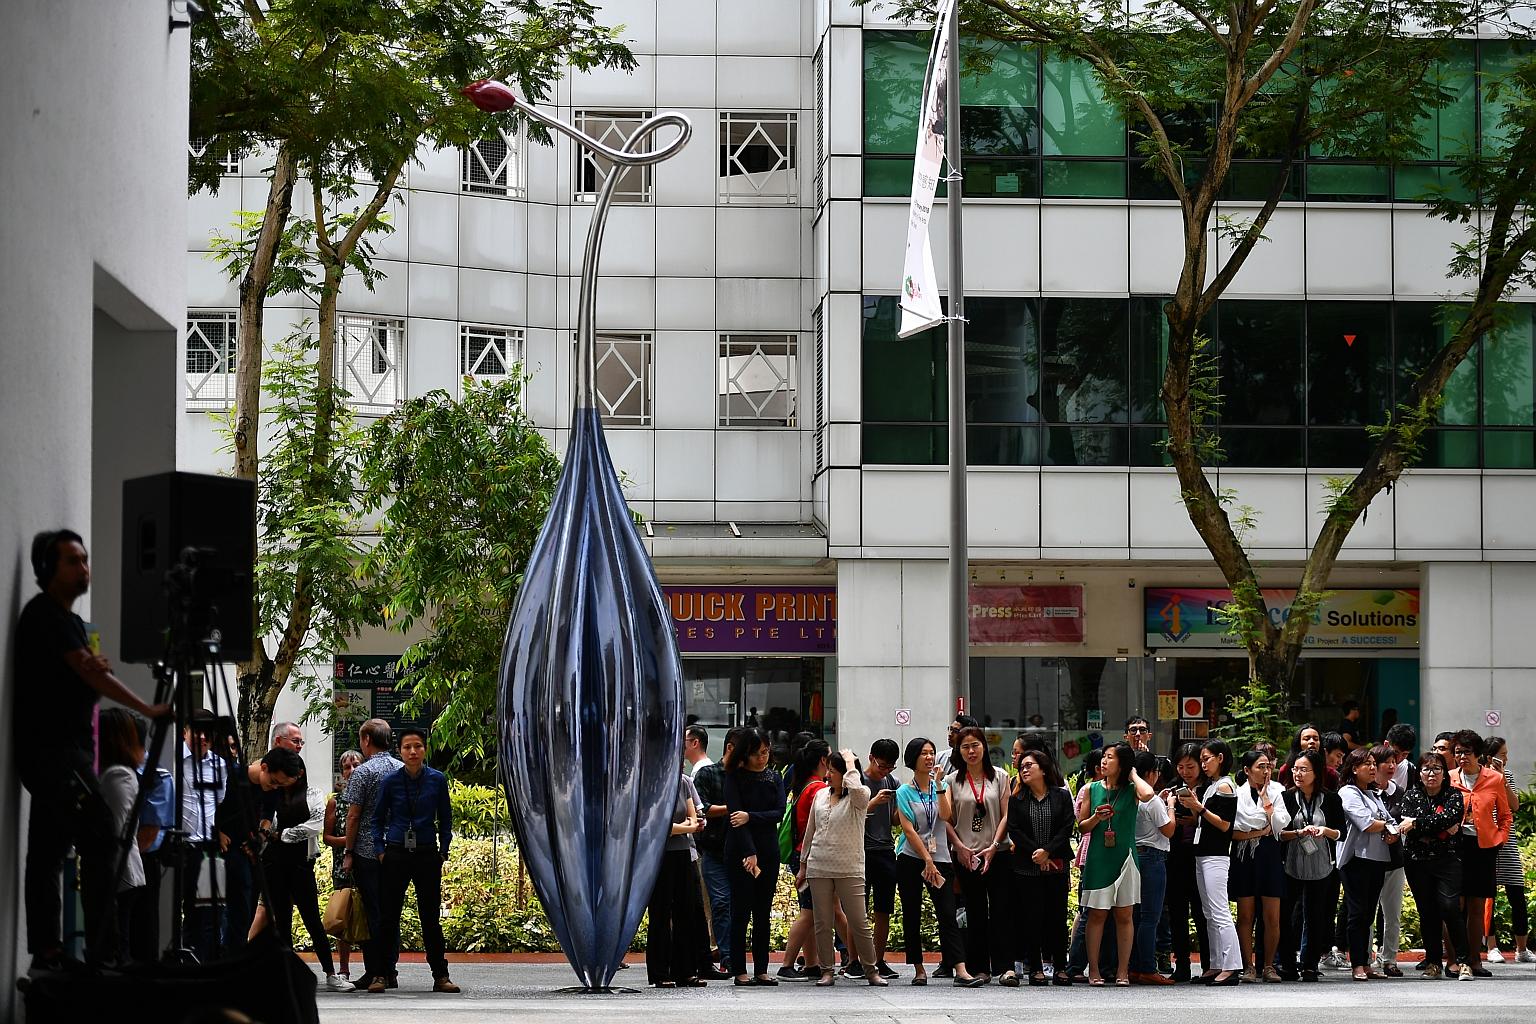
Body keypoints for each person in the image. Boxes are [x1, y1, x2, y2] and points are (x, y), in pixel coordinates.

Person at [14, 529, 171, 970]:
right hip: (58, 755)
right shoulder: (48, 615)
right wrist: (146, 707)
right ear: (47, 570)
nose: (83, 568)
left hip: (57, 756)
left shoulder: (62, 621)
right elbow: (92, 674)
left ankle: (48, 952)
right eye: (72, 561)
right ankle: (104, 957)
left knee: (46, 852)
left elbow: (85, 670)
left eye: (84, 560)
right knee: (103, 836)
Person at [250, 725, 351, 991]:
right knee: (281, 920)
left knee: (311, 919)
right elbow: (264, 824)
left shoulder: (313, 794)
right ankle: (286, 973)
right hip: (273, 863)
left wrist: (281, 834)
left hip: (300, 863)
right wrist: (271, 834)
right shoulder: (270, 794)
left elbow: (315, 824)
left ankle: (330, 973)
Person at [370, 726, 458, 994]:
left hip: (427, 853)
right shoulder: (390, 781)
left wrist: (443, 849)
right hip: (395, 852)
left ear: (425, 749)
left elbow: (445, 817)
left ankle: (440, 975)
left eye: (418, 746)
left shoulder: (437, 780)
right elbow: (376, 819)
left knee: (430, 917)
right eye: (407, 747)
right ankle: (381, 975)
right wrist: (380, 849)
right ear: (400, 750)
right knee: (388, 917)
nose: (412, 751)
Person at [794, 749, 887, 986]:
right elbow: (810, 833)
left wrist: (849, 762)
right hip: (819, 866)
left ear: (846, 774)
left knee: (859, 920)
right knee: (823, 922)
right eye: (828, 770)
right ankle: (827, 970)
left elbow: (856, 789)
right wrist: (803, 866)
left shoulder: (859, 796)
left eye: (833, 771)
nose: (827, 776)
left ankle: (870, 970)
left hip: (850, 867)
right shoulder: (821, 796)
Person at [894, 736, 974, 985]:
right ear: (913, 759)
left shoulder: (942, 786)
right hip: (911, 859)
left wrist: (939, 786)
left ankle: (960, 969)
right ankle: (918, 969)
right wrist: (926, 860)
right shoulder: (904, 792)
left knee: (947, 913)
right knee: (912, 913)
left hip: (940, 859)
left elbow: (946, 816)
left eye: (931, 753)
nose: (929, 758)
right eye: (924, 754)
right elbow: (908, 830)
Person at [1077, 741, 1156, 986]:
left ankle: (1123, 971)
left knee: (1125, 915)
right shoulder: (1091, 788)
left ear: (1121, 763)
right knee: (1097, 915)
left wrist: (1132, 772)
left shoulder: (1133, 788)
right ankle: (1094, 970)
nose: (1103, 761)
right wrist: (1096, 818)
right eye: (1103, 756)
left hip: (1125, 856)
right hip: (1099, 857)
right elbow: (1082, 826)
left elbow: (1148, 794)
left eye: (1110, 757)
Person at [945, 726, 1012, 984]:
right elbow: (947, 819)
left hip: (997, 853)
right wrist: (960, 848)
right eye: (965, 747)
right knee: (974, 911)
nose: (971, 751)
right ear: (958, 751)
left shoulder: (1001, 776)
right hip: (967, 855)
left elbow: (1007, 814)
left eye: (975, 745)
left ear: (984, 746)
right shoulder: (951, 781)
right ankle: (980, 968)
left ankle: (1006, 967)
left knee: (1002, 910)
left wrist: (995, 846)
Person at [342, 719, 403, 992]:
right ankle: (390, 970)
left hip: (367, 850)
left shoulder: (363, 772)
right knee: (393, 911)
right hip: (398, 849)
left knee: (373, 911)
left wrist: (348, 850)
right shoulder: (403, 769)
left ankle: (375, 970)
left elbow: (353, 816)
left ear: (366, 739)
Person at [1400, 751, 1473, 979]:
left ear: (1444, 773)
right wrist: (1437, 828)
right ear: (1419, 773)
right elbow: (1407, 824)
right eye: (1426, 769)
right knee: (1427, 912)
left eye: (1436, 769)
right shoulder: (1411, 796)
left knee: (1450, 907)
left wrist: (1418, 824)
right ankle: (1433, 962)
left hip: (1448, 860)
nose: (1431, 774)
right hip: (1417, 862)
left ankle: (1463, 961)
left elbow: (1449, 819)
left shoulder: (1453, 795)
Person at [722, 726, 784, 986]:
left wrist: (752, 816)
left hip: (769, 850)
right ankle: (739, 969)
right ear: (745, 754)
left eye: (766, 752)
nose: (763, 757)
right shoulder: (734, 777)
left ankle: (761, 968)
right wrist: (749, 853)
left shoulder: (774, 777)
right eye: (758, 753)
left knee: (763, 911)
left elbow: (779, 813)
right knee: (740, 911)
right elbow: (736, 820)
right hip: (740, 850)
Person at [1009, 750, 1075, 986]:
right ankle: (1035, 968)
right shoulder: (1016, 799)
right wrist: (1036, 852)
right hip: (1027, 867)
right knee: (1031, 917)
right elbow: (1014, 830)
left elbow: (1068, 826)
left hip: (1056, 865)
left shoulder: (1061, 796)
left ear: (1044, 769)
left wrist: (1048, 851)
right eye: (1022, 767)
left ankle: (1060, 967)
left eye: (1029, 765)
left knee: (1056, 918)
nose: (1024, 770)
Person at [1278, 749, 1344, 981]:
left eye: (1304, 769)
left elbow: (1341, 834)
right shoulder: (1285, 798)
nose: (1298, 774)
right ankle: (1286, 963)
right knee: (1285, 915)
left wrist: (1324, 831)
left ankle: (1309, 964)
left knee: (1315, 916)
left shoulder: (1332, 798)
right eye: (1296, 769)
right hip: (1291, 863)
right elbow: (1278, 833)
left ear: (1316, 773)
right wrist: (1297, 832)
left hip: (1321, 864)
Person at [1450, 729, 1512, 977]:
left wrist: (1501, 837)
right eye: (1457, 753)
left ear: (1477, 754)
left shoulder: (1494, 779)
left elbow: (1506, 814)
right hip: (1454, 846)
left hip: (1484, 847)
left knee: (1477, 905)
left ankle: (1475, 960)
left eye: (1466, 752)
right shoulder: (1450, 777)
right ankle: (1455, 960)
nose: (1462, 757)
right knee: (1455, 904)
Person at [1179, 738, 1241, 985]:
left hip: (1216, 855)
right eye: (1202, 759)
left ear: (1221, 758)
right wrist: (1192, 812)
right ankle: (1216, 963)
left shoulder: (1226, 786)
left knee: (1219, 910)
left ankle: (1232, 965)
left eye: (1207, 759)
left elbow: (1225, 825)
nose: (1203, 764)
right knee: (1209, 912)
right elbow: (1207, 822)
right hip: (1203, 851)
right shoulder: (1214, 786)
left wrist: (1198, 808)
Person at [1337, 747, 1397, 981]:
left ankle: (1367, 964)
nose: (1373, 768)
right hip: (1356, 859)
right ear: (1354, 768)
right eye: (1367, 764)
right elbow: (1366, 823)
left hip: (1377, 858)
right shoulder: (1348, 792)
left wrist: (1390, 829)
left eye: (1374, 763)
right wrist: (1388, 827)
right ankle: (1357, 965)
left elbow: (1389, 820)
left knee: (1369, 914)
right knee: (1357, 912)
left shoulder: (1373, 794)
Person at [96, 708, 149, 965]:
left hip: (120, 873)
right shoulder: (118, 773)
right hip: (118, 871)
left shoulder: (119, 776)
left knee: (116, 948)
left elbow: (114, 828)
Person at [1230, 749, 1286, 982]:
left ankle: (1269, 965)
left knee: (1272, 915)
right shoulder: (1237, 793)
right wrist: (1262, 828)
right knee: (1245, 915)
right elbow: (1236, 826)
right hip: (1244, 856)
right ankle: (1248, 966)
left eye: (1268, 766)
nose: (1265, 771)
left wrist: (1266, 802)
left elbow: (1280, 824)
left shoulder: (1278, 791)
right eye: (1260, 766)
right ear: (1246, 770)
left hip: (1270, 854)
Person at [648, 773, 707, 987]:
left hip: (683, 852)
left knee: (686, 911)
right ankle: (660, 972)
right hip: (658, 855)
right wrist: (688, 827)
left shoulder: (682, 782)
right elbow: (659, 826)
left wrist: (684, 827)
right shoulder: (650, 781)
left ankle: (685, 971)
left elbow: (693, 816)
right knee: (660, 912)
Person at [1480, 736, 1531, 964]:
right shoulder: (1479, 777)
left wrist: (1503, 780)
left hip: (1507, 843)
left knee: (1517, 896)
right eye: (1502, 754)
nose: (1506, 758)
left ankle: (1522, 949)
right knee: (1487, 895)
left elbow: (1515, 806)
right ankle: (1492, 947)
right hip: (1486, 842)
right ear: (1490, 757)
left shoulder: (1505, 776)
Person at [1128, 750, 1175, 985]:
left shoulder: (1128, 795)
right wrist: (1171, 807)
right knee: (1150, 917)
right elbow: (1168, 830)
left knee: (1135, 916)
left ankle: (1134, 966)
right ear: (1149, 773)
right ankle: (1147, 967)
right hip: (1153, 858)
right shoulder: (1152, 799)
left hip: (1134, 856)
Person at [690, 731, 734, 977]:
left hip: (737, 851)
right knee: (719, 904)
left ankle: (726, 954)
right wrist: (734, 808)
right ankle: (725, 955)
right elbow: (701, 810)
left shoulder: (746, 777)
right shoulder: (707, 774)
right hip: (712, 849)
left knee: (731, 905)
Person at [1164, 742, 1209, 983]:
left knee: (1202, 912)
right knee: (1177, 913)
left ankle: (1209, 964)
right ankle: (1181, 964)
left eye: (1190, 766)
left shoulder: (1210, 789)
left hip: (1201, 855)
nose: (1185, 771)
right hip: (1176, 855)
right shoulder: (1172, 788)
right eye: (1180, 767)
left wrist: (1192, 816)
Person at [861, 738, 903, 979]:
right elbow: (849, 812)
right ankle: (855, 960)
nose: (885, 771)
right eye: (881, 765)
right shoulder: (858, 781)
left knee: (883, 909)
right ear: (870, 757)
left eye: (890, 767)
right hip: (862, 850)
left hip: (886, 850)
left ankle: (878, 959)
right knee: (859, 910)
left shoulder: (893, 782)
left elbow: (895, 820)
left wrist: (905, 809)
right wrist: (873, 802)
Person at [324, 749, 363, 981]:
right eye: (347, 767)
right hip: (342, 867)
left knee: (367, 916)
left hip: (365, 864)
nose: (352, 770)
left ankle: (374, 969)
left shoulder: (370, 797)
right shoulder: (335, 802)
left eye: (356, 765)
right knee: (342, 917)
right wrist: (349, 841)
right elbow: (327, 837)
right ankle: (344, 969)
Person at [1369, 744, 1408, 976]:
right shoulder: (1363, 791)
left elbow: (1404, 821)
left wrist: (1396, 833)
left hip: (1395, 860)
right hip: (1370, 861)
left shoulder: (1400, 792)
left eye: (1394, 761)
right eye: (1386, 762)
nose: (1392, 766)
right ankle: (1365, 959)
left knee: (1392, 913)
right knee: (1367, 914)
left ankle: (1389, 958)